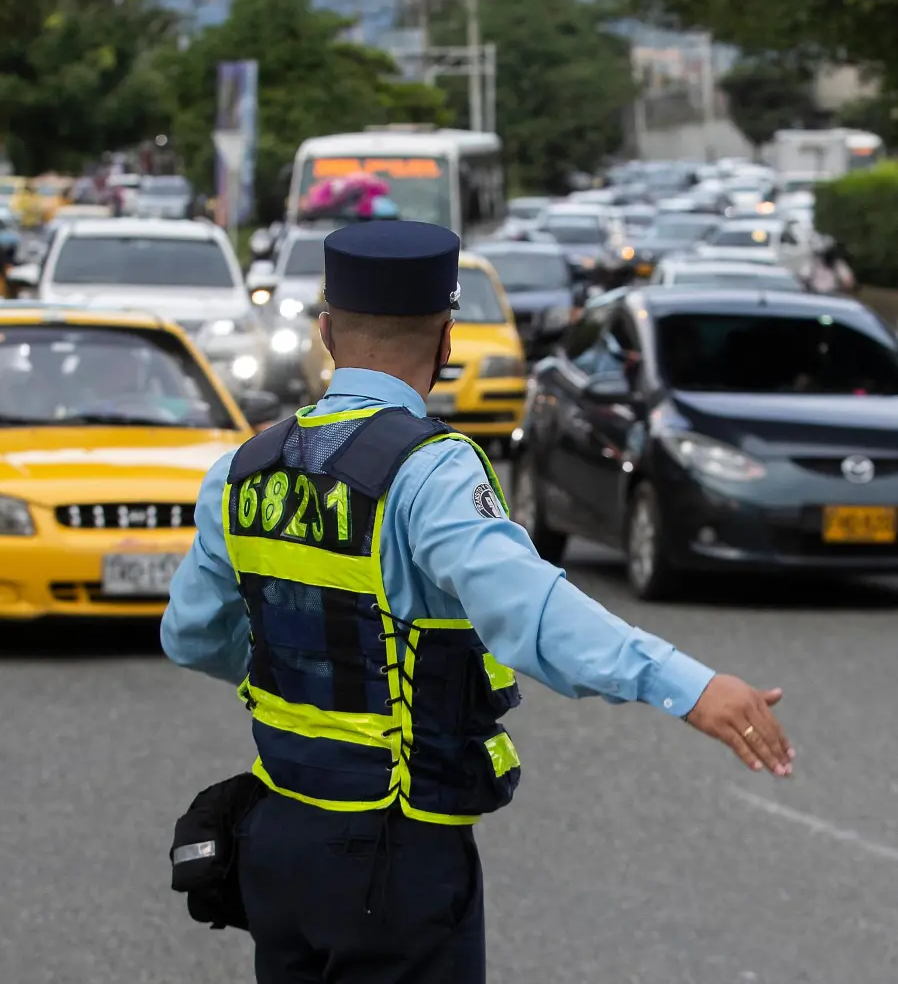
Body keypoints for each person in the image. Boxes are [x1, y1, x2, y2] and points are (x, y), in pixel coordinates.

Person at [161, 220, 795, 984]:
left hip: (277, 839)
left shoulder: (242, 468)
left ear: (327, 333)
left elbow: (192, 634)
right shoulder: (429, 471)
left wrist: (305, 666)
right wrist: (691, 687)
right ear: (447, 339)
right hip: (391, 855)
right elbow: (531, 614)